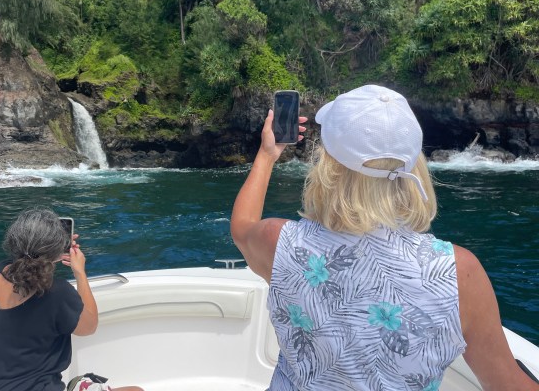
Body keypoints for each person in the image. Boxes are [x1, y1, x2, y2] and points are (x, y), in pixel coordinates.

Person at [230, 85, 539, 391]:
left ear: (328, 167)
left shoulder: (281, 244)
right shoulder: (459, 272)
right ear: (414, 166)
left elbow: (242, 227)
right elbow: (506, 383)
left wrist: (267, 155)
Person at [0, 207, 143, 391]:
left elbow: (25, 274)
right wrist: (79, 271)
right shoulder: (57, 293)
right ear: (55, 250)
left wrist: (49, 254)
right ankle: (79, 387)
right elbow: (89, 326)